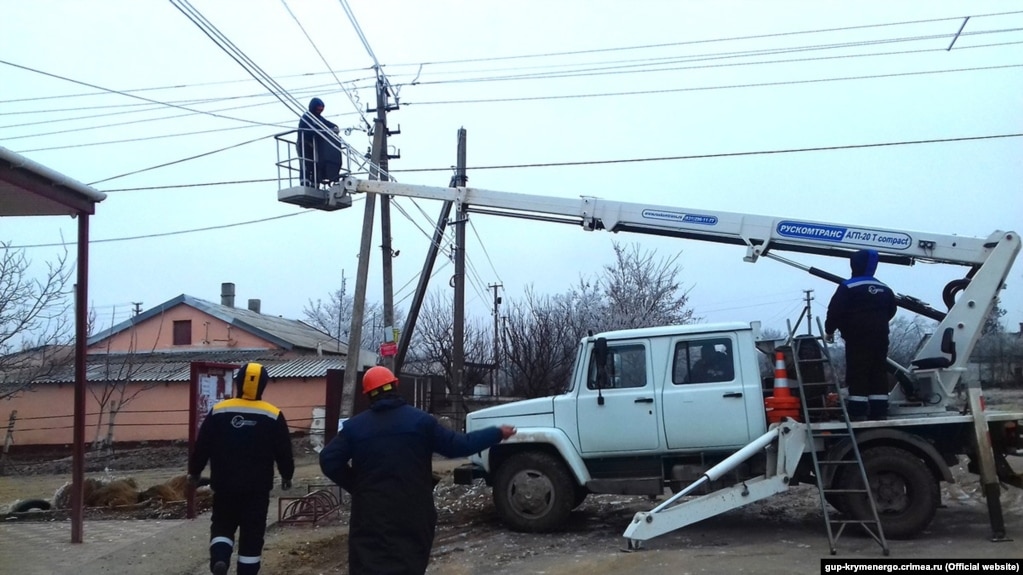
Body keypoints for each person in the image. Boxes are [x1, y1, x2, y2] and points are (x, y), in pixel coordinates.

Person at [320, 366, 516, 575]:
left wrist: (358, 487)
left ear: (368, 394)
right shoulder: (421, 422)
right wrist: (495, 433)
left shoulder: (354, 428)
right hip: (413, 511)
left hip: (370, 514)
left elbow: (328, 460)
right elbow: (459, 446)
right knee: (409, 564)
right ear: (396, 386)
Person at [188, 362, 294, 575]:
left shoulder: (219, 411)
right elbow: (284, 450)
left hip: (225, 485)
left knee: (222, 526)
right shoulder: (273, 415)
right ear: (263, 386)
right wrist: (286, 475)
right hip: (257, 490)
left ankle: (220, 559)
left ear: (238, 383)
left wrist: (195, 471)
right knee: (252, 535)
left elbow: (202, 445)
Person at [825, 249, 897, 421]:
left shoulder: (848, 287)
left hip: (857, 337)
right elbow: (892, 310)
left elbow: (835, 310)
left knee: (858, 371)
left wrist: (830, 330)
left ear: (854, 264)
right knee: (878, 371)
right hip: (880, 337)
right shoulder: (885, 288)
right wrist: (878, 323)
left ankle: (858, 411)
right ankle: (879, 410)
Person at [297, 97, 341, 187]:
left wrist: (334, 127)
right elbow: (309, 130)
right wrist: (323, 130)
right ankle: (304, 182)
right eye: (318, 109)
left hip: (314, 145)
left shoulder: (319, 119)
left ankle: (315, 183)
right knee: (306, 163)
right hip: (304, 144)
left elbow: (326, 123)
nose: (319, 111)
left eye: (321, 110)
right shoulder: (306, 117)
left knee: (316, 164)